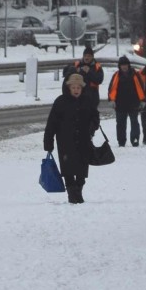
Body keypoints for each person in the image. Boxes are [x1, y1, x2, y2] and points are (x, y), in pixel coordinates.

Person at [44, 73, 100, 204]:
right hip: (65, 142)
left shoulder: (87, 101)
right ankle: (71, 194)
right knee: (68, 170)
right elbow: (51, 123)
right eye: (73, 87)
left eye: (78, 88)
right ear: (68, 87)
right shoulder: (60, 102)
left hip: (83, 140)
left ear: (82, 88)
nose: (76, 90)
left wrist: (92, 127)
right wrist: (48, 141)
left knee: (81, 170)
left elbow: (95, 117)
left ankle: (78, 191)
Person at [107, 55, 146, 147]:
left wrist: (143, 100)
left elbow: (141, 87)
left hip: (133, 103)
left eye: (125, 65)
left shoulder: (136, 75)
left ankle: (135, 139)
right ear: (119, 66)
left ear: (128, 65)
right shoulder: (116, 76)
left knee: (134, 122)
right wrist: (111, 100)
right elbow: (111, 89)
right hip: (120, 104)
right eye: (122, 65)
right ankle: (121, 142)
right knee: (120, 124)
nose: (124, 67)